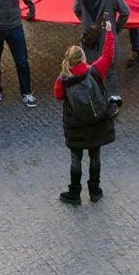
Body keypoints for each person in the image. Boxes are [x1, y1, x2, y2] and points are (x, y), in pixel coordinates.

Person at [55, 21, 117, 205]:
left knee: (76, 159)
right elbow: (108, 54)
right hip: (97, 121)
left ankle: (74, 194)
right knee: (95, 157)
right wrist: (108, 33)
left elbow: (58, 95)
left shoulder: (63, 79)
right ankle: (95, 191)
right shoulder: (95, 71)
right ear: (83, 58)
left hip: (75, 126)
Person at [70, 0, 130, 102]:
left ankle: (112, 96)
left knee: (110, 68)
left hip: (106, 39)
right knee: (90, 69)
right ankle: (95, 95)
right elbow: (76, 10)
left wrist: (115, 29)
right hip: (89, 40)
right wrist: (87, 24)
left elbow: (125, 12)